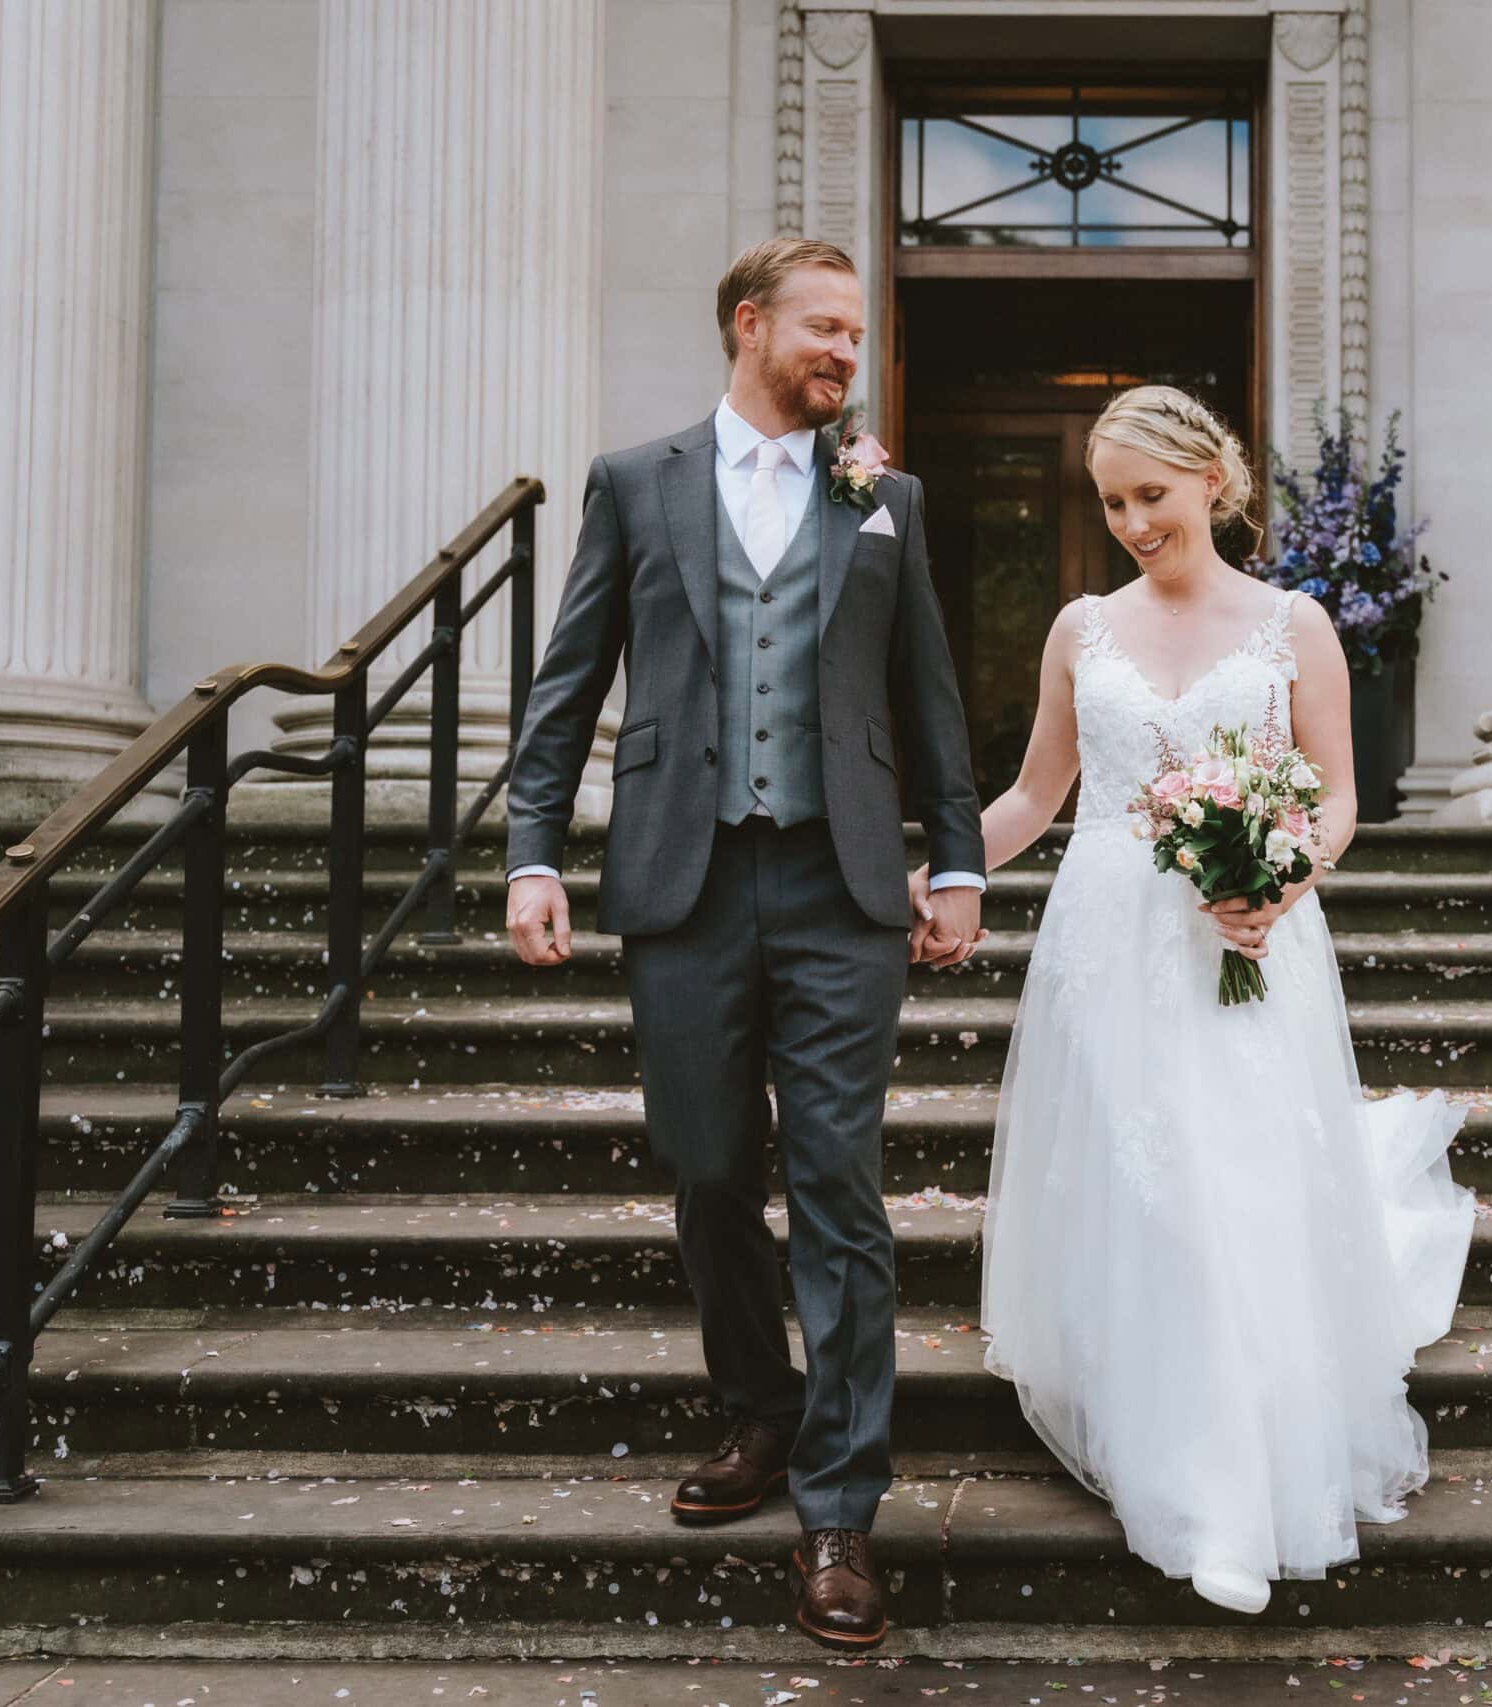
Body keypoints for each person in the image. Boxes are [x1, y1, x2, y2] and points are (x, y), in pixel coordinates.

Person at [502, 236, 986, 1652]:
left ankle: (840, 1508)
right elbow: (569, 678)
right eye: (823, 327)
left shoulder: (883, 495)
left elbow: (928, 688)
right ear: (748, 323)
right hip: (685, 878)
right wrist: (533, 851)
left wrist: (957, 857)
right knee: (710, 1170)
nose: (845, 351)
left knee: (838, 1185)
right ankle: (760, 1409)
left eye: (855, 333)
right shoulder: (635, 483)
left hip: (842, 887)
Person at [938, 384, 1476, 1615]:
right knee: (1152, 1188)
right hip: (1107, 943)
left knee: (1235, 1185)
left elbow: (1336, 795)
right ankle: (1179, 1459)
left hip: (1247, 936)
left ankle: (1232, 1495)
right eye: (1110, 503)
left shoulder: (1293, 625)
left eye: (1151, 496)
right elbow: (1033, 796)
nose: (1132, 523)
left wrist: (1282, 880)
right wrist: (940, 872)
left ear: (1214, 484)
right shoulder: (1081, 629)